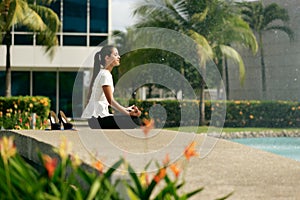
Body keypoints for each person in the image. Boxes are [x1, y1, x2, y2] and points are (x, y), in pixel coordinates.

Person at [81, 45, 142, 129]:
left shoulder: (105, 73)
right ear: (107, 58)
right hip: (97, 120)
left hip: (96, 119)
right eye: (116, 54)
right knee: (134, 120)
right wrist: (127, 113)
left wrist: (127, 109)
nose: (119, 57)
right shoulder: (104, 75)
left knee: (134, 119)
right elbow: (111, 101)